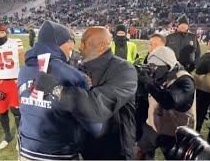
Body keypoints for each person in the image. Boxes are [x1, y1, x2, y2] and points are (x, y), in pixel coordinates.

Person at [33, 26, 138, 159]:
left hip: (116, 151)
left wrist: (56, 89)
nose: (80, 48)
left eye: (84, 43)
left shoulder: (124, 70)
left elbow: (97, 108)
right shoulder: (79, 68)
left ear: (101, 46)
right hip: (85, 148)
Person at [18, 21, 100, 160]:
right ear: (61, 42)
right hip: (60, 153)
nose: (71, 49)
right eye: (70, 44)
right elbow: (94, 125)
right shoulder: (73, 75)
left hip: (26, 150)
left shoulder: (23, 70)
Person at [136, 46, 196, 159]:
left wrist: (149, 84)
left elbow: (169, 101)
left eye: (154, 66)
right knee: (143, 153)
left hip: (175, 131)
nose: (152, 69)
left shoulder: (185, 80)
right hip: (154, 126)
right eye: (150, 65)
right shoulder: (161, 75)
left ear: (168, 64)